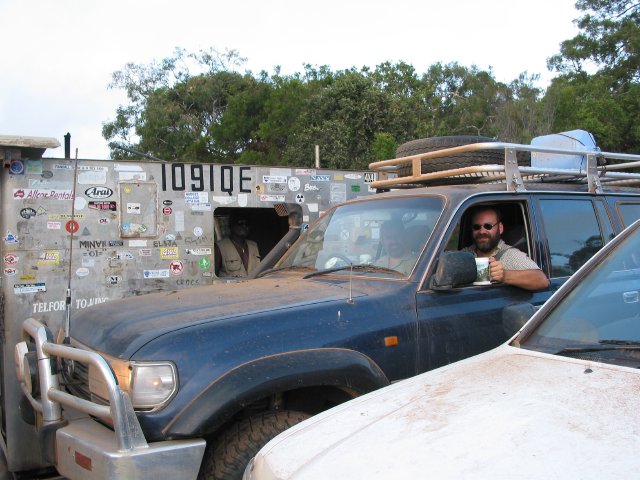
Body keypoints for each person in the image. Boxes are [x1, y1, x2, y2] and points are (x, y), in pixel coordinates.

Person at [463, 207, 549, 291]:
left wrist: (504, 275)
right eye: (476, 227)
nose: (482, 231)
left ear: (500, 228)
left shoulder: (510, 255)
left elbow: (541, 280)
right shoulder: (464, 254)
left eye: (488, 226)